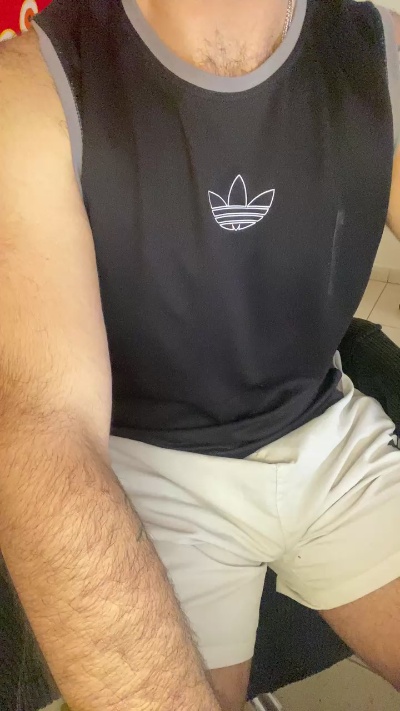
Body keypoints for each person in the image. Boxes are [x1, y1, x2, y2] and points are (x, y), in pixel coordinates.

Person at [0, 1, 400, 710]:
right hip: (147, 465)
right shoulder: (32, 88)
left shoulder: (380, 47)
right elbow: (43, 423)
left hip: (327, 433)